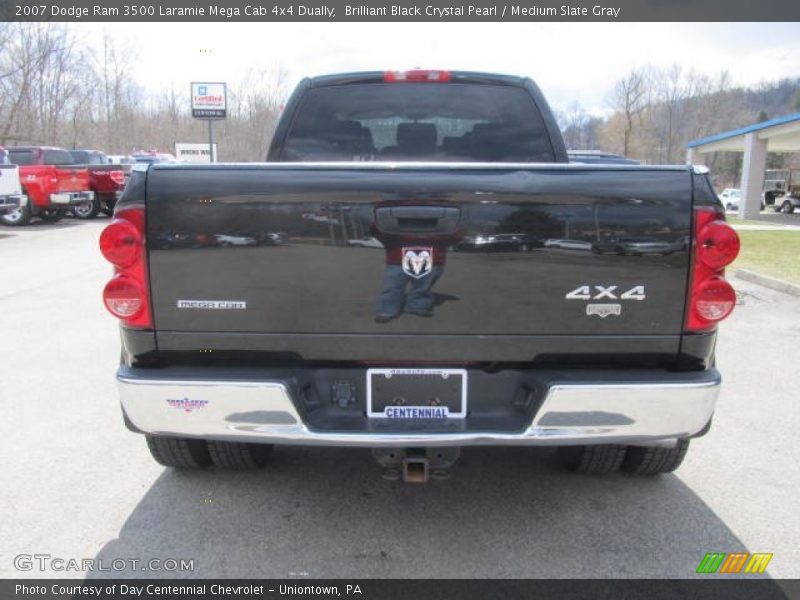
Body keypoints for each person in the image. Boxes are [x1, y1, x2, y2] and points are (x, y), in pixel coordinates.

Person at [370, 220, 463, 323]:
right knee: (392, 286)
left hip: (431, 258)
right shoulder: (394, 216)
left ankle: (417, 305)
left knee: (423, 286)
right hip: (398, 258)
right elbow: (377, 230)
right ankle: (387, 310)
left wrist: (441, 239)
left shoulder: (442, 217)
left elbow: (457, 234)